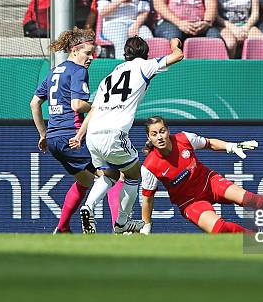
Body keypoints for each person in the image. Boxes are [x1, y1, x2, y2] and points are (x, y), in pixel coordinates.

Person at [69, 37, 184, 234]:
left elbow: (94, 109)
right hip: (114, 133)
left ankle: (88, 206)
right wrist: (175, 43)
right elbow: (178, 56)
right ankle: (122, 221)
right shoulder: (144, 66)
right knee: (134, 174)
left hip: (93, 134)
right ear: (144, 53)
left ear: (126, 54)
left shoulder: (110, 76)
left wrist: (80, 135)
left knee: (110, 173)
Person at [140, 116, 263, 233]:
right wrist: (146, 227)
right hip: (190, 202)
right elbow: (147, 200)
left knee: (249, 199)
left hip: (209, 182)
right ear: (149, 138)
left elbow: (210, 143)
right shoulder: (149, 166)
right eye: (154, 134)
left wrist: (231, 146)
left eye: (162, 131)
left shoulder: (184, 138)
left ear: (168, 130)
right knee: (219, 229)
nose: (159, 137)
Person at [30, 28, 101, 234]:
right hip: (72, 135)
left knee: (85, 180)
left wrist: (43, 134)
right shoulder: (79, 71)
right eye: (87, 53)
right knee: (114, 175)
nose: (91, 58)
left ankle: (62, 228)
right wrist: (97, 107)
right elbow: (78, 105)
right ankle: (120, 227)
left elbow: (34, 104)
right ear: (75, 50)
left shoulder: (54, 72)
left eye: (92, 53)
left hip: (54, 139)